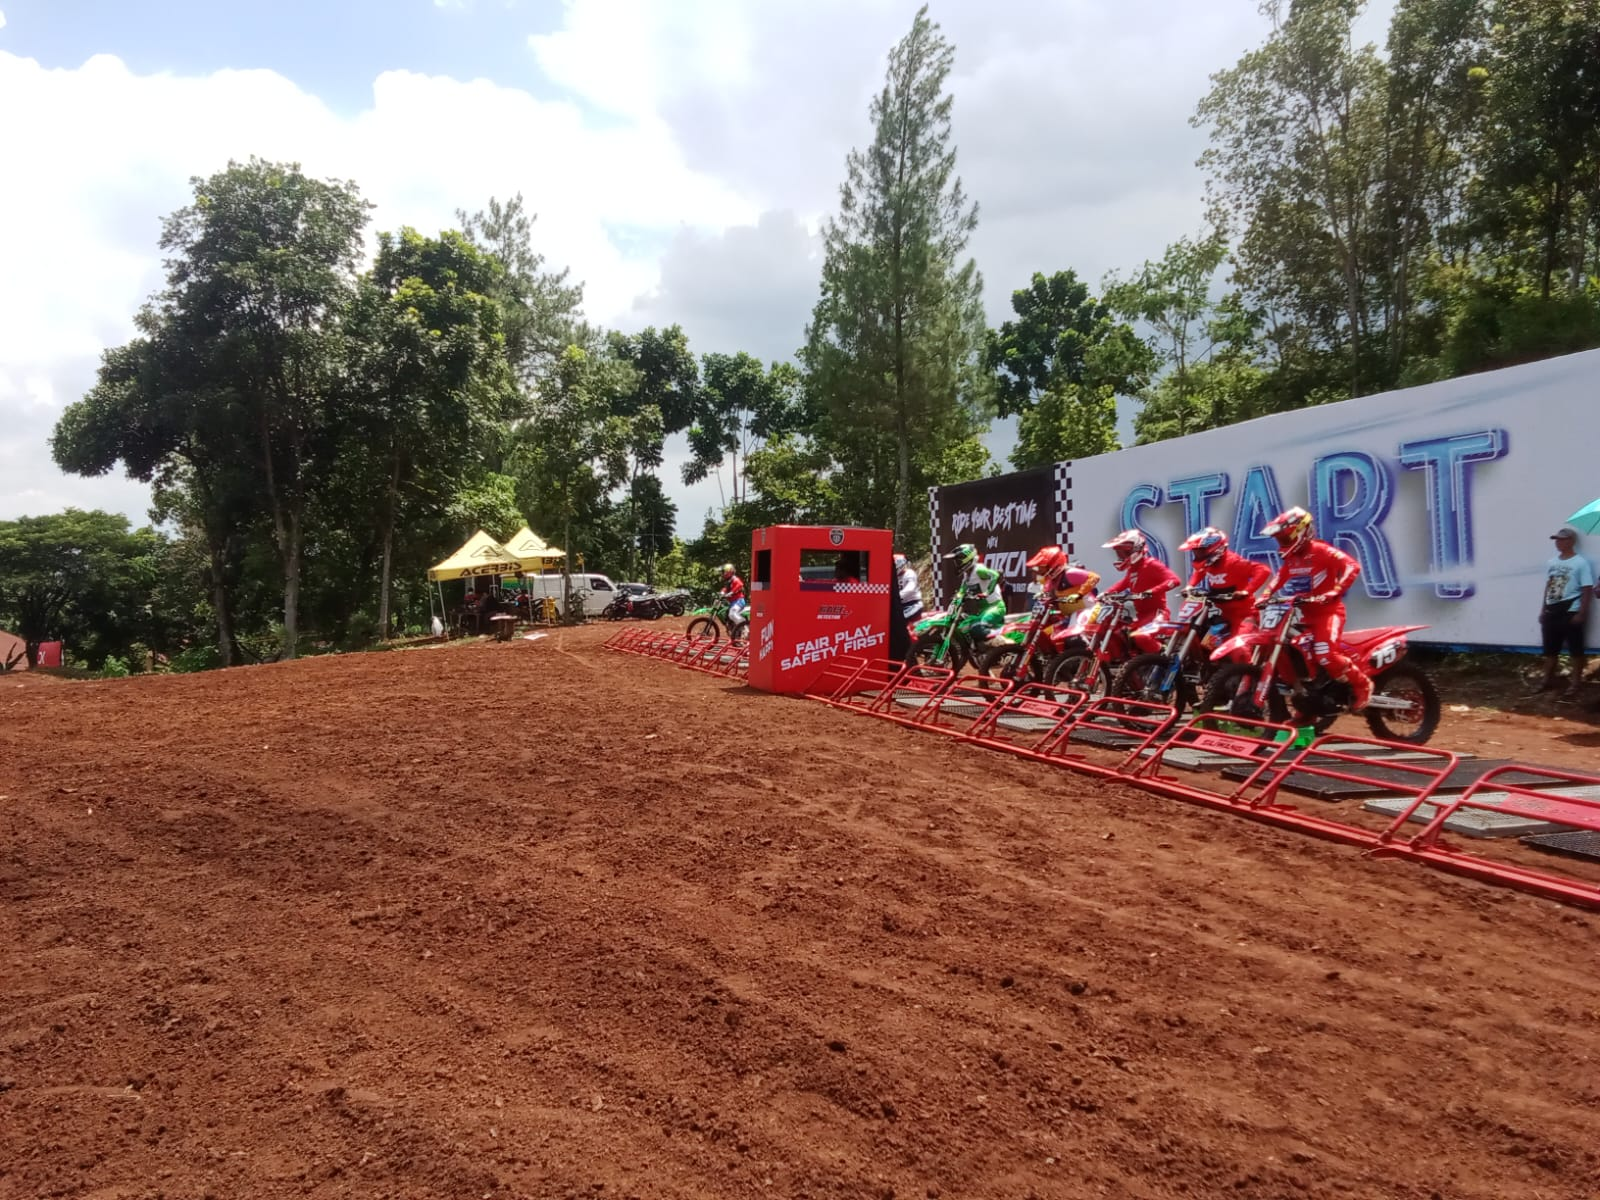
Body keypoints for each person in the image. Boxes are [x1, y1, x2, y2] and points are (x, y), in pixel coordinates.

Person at [1259, 505, 1371, 712]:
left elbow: (1352, 566)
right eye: (1280, 539)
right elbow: (1279, 578)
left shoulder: (1322, 550)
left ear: (1301, 532)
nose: (1282, 543)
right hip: (1302, 615)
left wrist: (1335, 591)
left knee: (1325, 654)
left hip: (1328, 613)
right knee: (1291, 654)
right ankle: (1307, 708)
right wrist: (1265, 596)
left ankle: (1362, 684)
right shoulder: (1292, 558)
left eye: (1285, 538)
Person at [1177, 526, 1271, 638]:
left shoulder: (1233, 562)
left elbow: (1263, 570)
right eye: (1196, 552)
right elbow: (1200, 571)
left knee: (1238, 650)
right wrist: (1189, 586)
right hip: (1224, 615)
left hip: (1244, 615)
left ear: (1216, 548)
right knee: (1204, 643)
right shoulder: (1210, 564)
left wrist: (1246, 591)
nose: (1198, 555)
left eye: (1201, 551)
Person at [1537, 526, 1593, 702]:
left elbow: (1586, 588)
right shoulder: (1552, 562)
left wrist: (1581, 612)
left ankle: (1575, 682)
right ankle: (1547, 679)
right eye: (1557, 540)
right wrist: (1543, 608)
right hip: (1552, 609)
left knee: (1575, 649)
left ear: (1571, 541)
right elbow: (1549, 585)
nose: (1558, 543)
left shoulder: (1580, 563)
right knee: (1550, 649)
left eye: (1562, 539)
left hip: (1570, 609)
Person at [1100, 530, 1180, 626]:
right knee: (1122, 635)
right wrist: (1106, 593)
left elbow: (1174, 580)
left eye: (1124, 552)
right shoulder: (1133, 569)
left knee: (1141, 637)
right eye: (1119, 553)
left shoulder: (1151, 564)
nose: (1121, 556)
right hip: (1141, 615)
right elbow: (1123, 583)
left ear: (1136, 549)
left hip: (1157, 613)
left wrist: (1151, 592)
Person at [945, 542, 1005, 646]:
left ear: (967, 558)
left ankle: (1002, 641)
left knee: (977, 628)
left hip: (996, 607)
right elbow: (961, 591)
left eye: (958, 560)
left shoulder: (979, 570)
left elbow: (995, 575)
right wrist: (956, 599)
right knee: (966, 626)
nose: (957, 563)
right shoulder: (967, 575)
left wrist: (987, 592)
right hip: (983, 610)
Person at [1025, 545, 1100, 625]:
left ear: (1053, 564)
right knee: (1049, 632)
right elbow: (1045, 597)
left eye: (1041, 569)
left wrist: (1079, 594)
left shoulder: (1069, 574)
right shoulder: (1050, 581)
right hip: (1068, 614)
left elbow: (1094, 577)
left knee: (1073, 633)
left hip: (1088, 610)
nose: (1039, 572)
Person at [719, 563, 748, 632]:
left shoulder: (735, 579)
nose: (723, 574)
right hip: (733, 602)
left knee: (732, 614)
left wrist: (731, 592)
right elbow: (725, 589)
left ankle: (744, 627)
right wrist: (722, 593)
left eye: (724, 572)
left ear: (729, 572)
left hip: (739, 601)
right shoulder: (729, 581)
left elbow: (740, 585)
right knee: (727, 616)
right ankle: (735, 631)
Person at [895, 553, 924, 625]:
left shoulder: (909, 573)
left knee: (901, 619)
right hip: (900, 605)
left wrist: (897, 596)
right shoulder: (894, 577)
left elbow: (910, 588)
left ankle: (909, 636)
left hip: (913, 604)